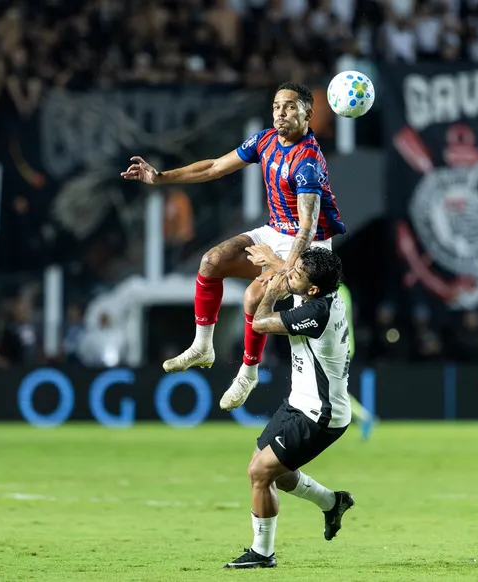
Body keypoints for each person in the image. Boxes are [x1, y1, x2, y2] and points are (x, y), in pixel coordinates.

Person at [121, 82, 345, 409]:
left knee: (256, 297)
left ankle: (249, 372)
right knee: (211, 261)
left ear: (308, 115)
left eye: (290, 107)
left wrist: (281, 269)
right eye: (276, 106)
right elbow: (213, 166)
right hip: (276, 230)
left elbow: (307, 228)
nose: (281, 113)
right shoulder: (265, 140)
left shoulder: (307, 161)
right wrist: (161, 177)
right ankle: (202, 346)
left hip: (309, 246)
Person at [221, 246, 354, 569]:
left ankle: (263, 553)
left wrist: (272, 287)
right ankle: (332, 502)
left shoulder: (316, 312)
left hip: (319, 416)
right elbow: (298, 278)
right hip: (300, 403)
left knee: (259, 473)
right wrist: (278, 264)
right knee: (274, 474)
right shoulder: (318, 293)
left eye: (296, 274)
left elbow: (260, 323)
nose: (289, 273)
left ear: (312, 289)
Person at [337, 283, 375, 440]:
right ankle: (363, 417)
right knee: (331, 389)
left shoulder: (331, 290)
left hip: (338, 347)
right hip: (344, 344)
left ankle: (364, 417)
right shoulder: (343, 289)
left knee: (333, 390)